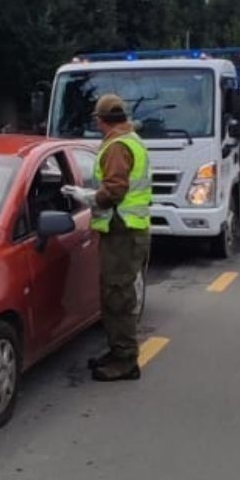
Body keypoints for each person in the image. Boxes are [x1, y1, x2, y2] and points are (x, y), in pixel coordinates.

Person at [62, 94, 152, 381]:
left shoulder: (117, 146)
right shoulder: (132, 140)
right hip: (128, 229)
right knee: (115, 293)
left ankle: (125, 361)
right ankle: (117, 352)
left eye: (96, 120)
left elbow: (114, 191)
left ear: (100, 120)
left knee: (118, 297)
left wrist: (88, 197)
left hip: (122, 231)